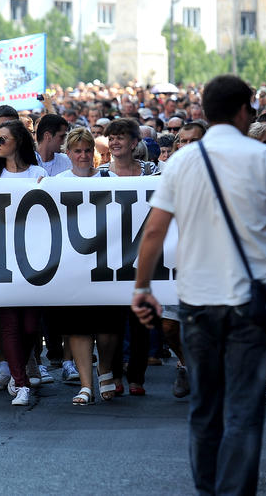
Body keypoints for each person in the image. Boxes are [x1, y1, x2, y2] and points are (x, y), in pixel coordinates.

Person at [133, 74, 266, 496]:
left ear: (205, 111)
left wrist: (141, 287)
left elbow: (153, 233)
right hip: (251, 301)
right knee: (243, 409)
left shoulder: (181, 161)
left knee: (205, 407)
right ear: (244, 111)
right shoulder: (265, 159)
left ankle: (207, 490)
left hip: (198, 304)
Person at [49, 127, 120, 405]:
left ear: (95, 153)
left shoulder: (110, 178)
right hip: (73, 264)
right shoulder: (57, 180)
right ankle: (86, 385)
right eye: (77, 150)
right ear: (68, 154)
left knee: (107, 327)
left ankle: (105, 370)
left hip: (105, 260)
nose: (82, 155)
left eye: (87, 150)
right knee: (77, 326)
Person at [0, 121, 47, 406]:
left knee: (31, 326)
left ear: (18, 141)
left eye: (2, 139)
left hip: (34, 260)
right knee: (9, 324)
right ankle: (20, 383)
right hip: (2, 259)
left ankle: (25, 365)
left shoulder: (39, 174)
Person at [99, 118, 156, 396]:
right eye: (111, 138)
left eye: (121, 137)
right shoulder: (98, 175)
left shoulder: (151, 170)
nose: (115, 142)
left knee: (140, 319)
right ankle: (115, 373)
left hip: (143, 254)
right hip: (109, 256)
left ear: (135, 143)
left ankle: (137, 376)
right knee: (113, 320)